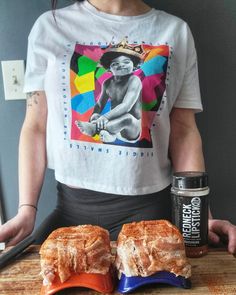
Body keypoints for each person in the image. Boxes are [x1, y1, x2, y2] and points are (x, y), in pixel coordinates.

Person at [0, 0, 235, 254]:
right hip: (71, 214)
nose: (120, 67)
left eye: (126, 64)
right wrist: (26, 210)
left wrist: (200, 218)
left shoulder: (175, 31)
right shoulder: (49, 26)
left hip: (151, 216)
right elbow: (35, 125)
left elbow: (184, 131)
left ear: (134, 66)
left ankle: (104, 130)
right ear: (109, 67)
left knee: (125, 119)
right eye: (115, 64)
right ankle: (103, 130)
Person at [75, 44, 142, 143]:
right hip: (114, 124)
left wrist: (105, 117)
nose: (121, 65)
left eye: (126, 62)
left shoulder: (134, 80)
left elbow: (126, 106)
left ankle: (96, 129)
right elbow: (100, 104)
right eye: (115, 64)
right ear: (109, 69)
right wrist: (95, 115)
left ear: (134, 66)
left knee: (128, 118)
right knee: (97, 117)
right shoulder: (107, 83)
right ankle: (110, 135)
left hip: (131, 128)